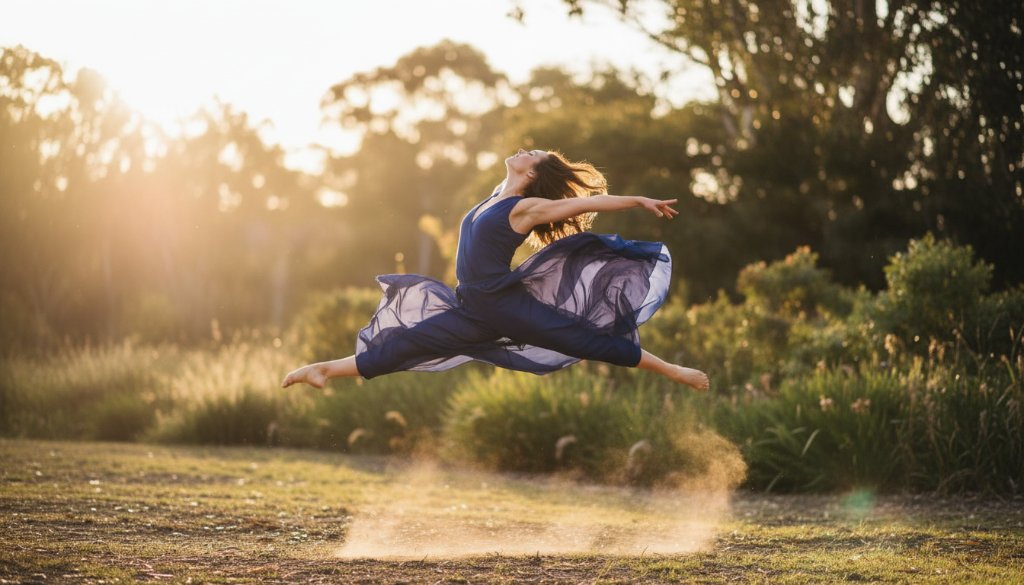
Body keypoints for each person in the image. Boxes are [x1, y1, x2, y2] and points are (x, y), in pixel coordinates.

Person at [282, 148, 709, 391]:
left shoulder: (524, 208)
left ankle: (675, 372)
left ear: (532, 171)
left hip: (504, 305)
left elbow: (582, 204)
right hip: (473, 306)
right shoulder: (493, 196)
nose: (524, 150)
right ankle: (322, 370)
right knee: (408, 343)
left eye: (533, 153)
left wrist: (638, 201)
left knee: (586, 340)